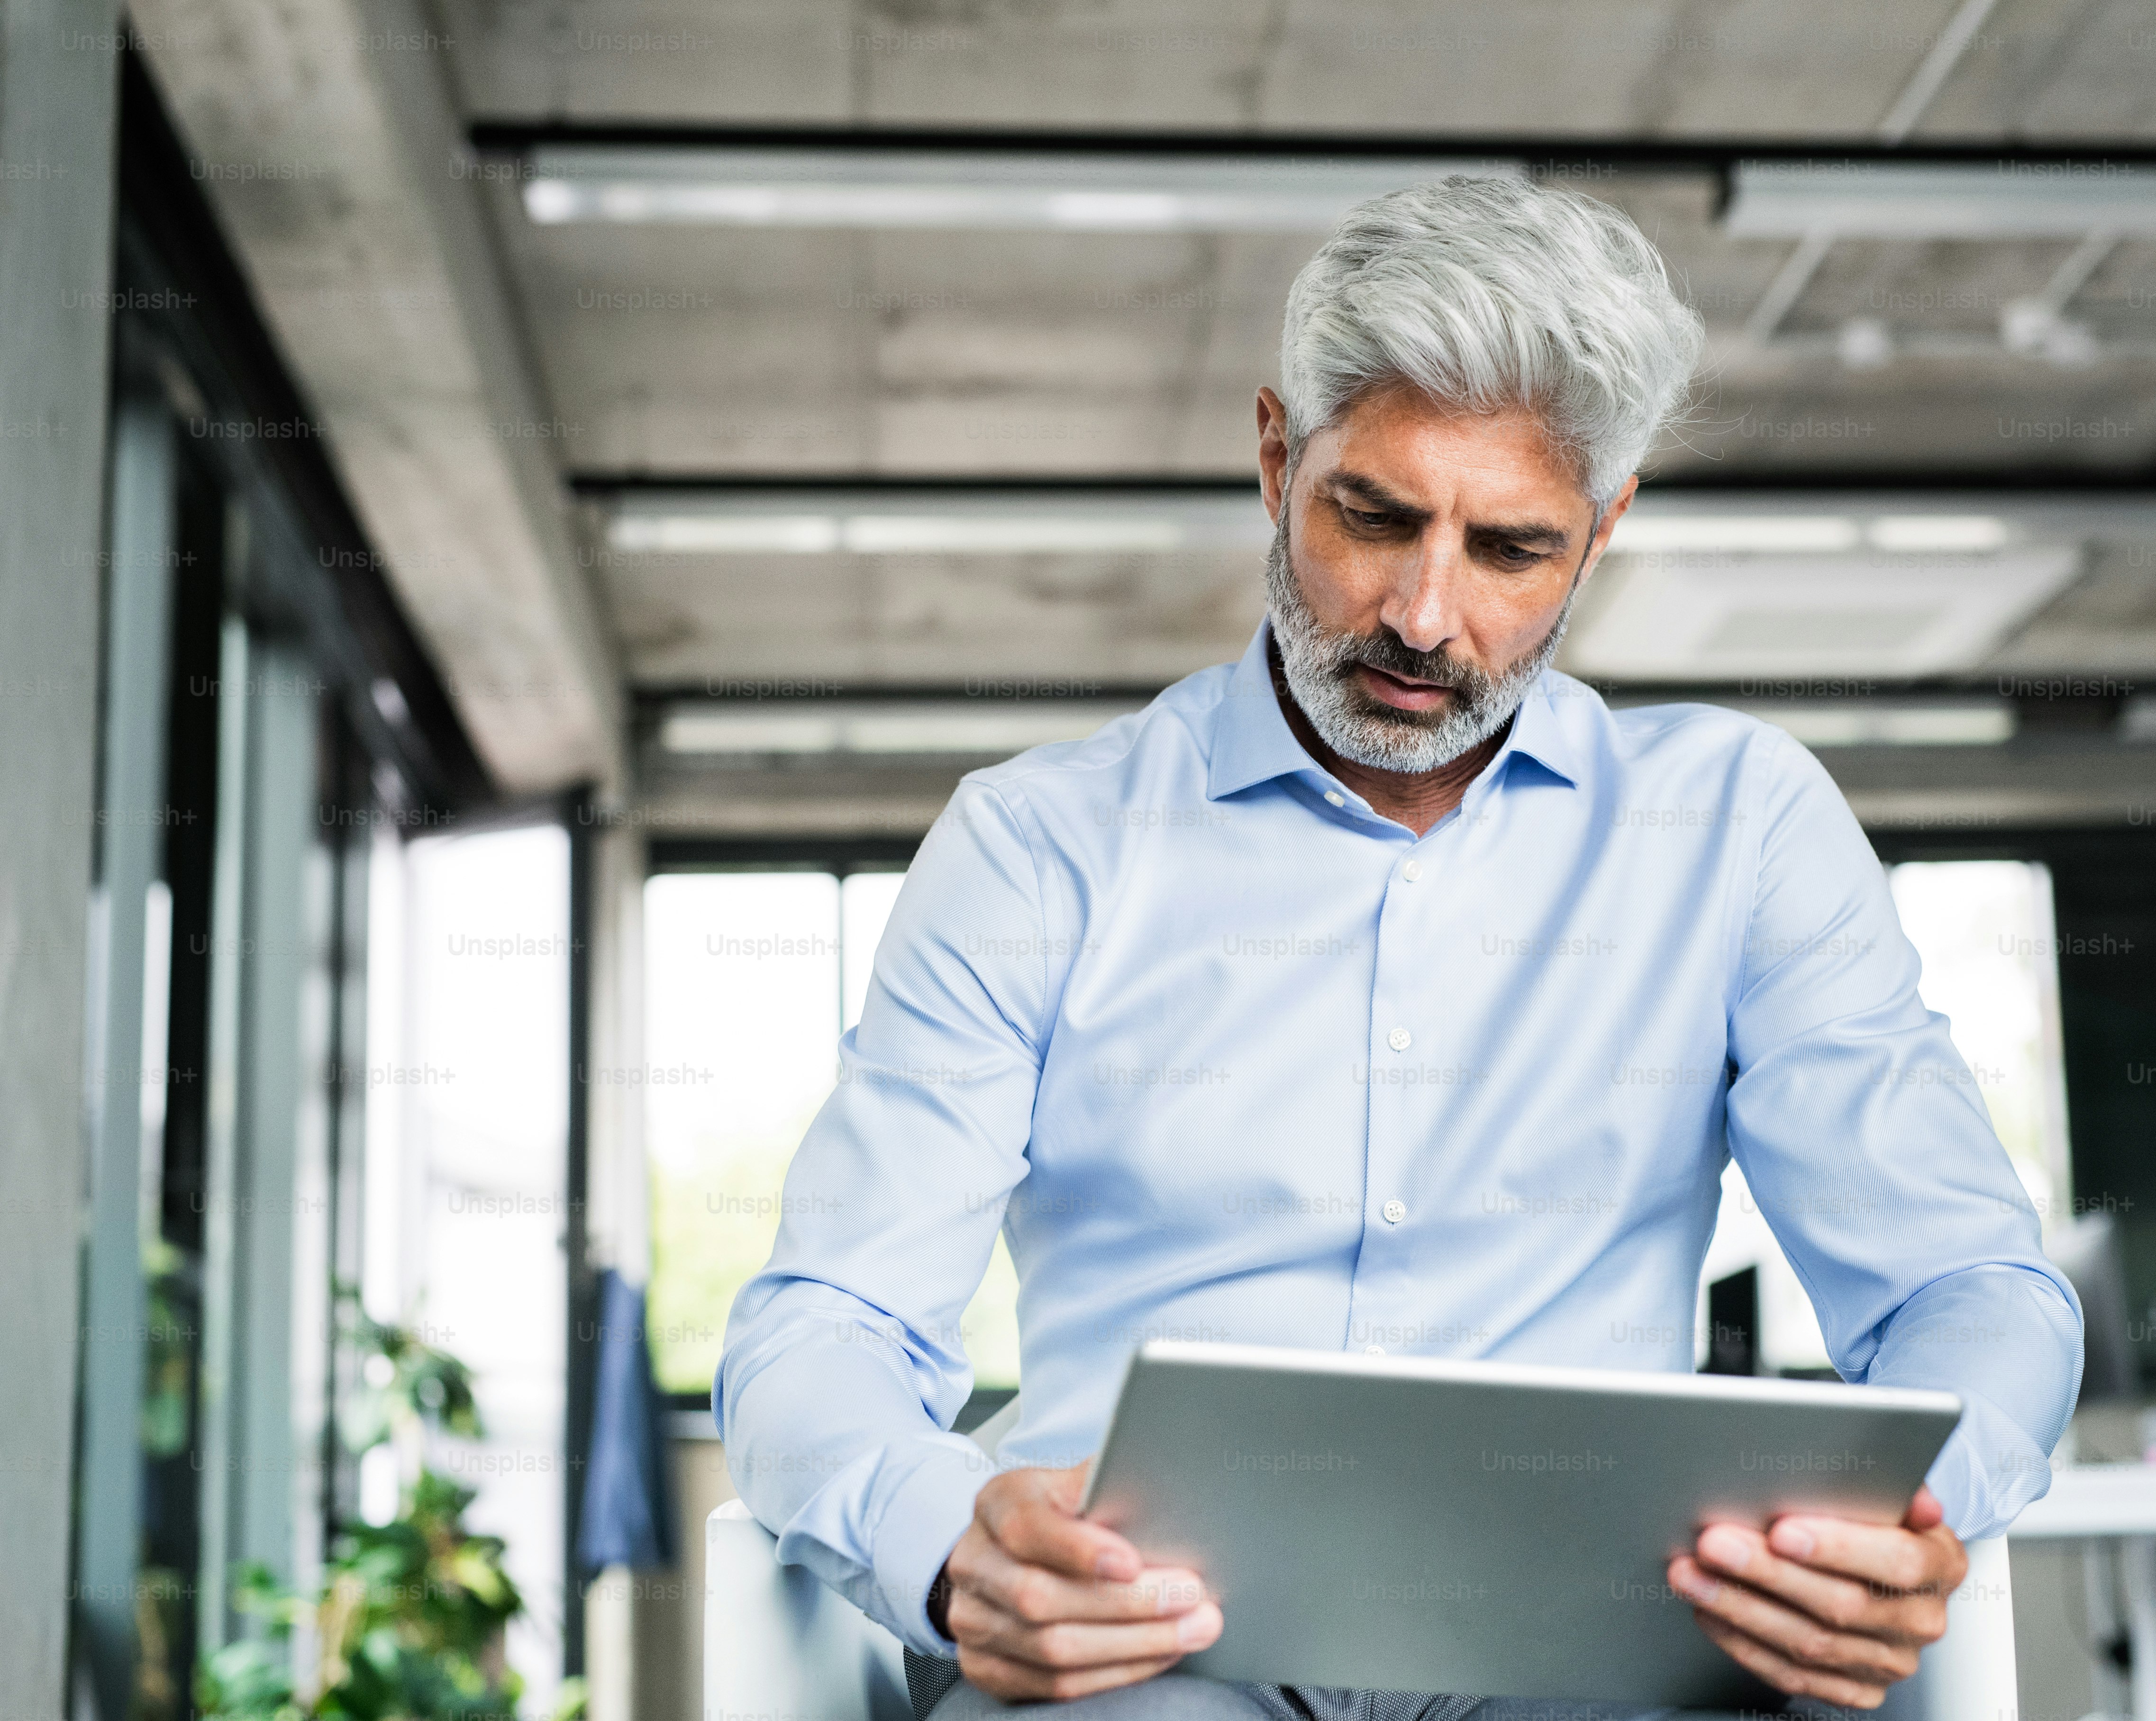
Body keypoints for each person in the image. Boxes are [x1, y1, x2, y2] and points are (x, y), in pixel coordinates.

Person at [717, 173, 2082, 1717]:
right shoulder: (1038, 848)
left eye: (1511, 551)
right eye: (1374, 516)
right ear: (1274, 456)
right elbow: (824, 1322)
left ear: (1605, 528)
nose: (1426, 618)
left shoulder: (1739, 827)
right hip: (1150, 1650)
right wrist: (951, 1553)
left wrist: (1907, 1510)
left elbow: (1970, 1285)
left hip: (1598, 1650)